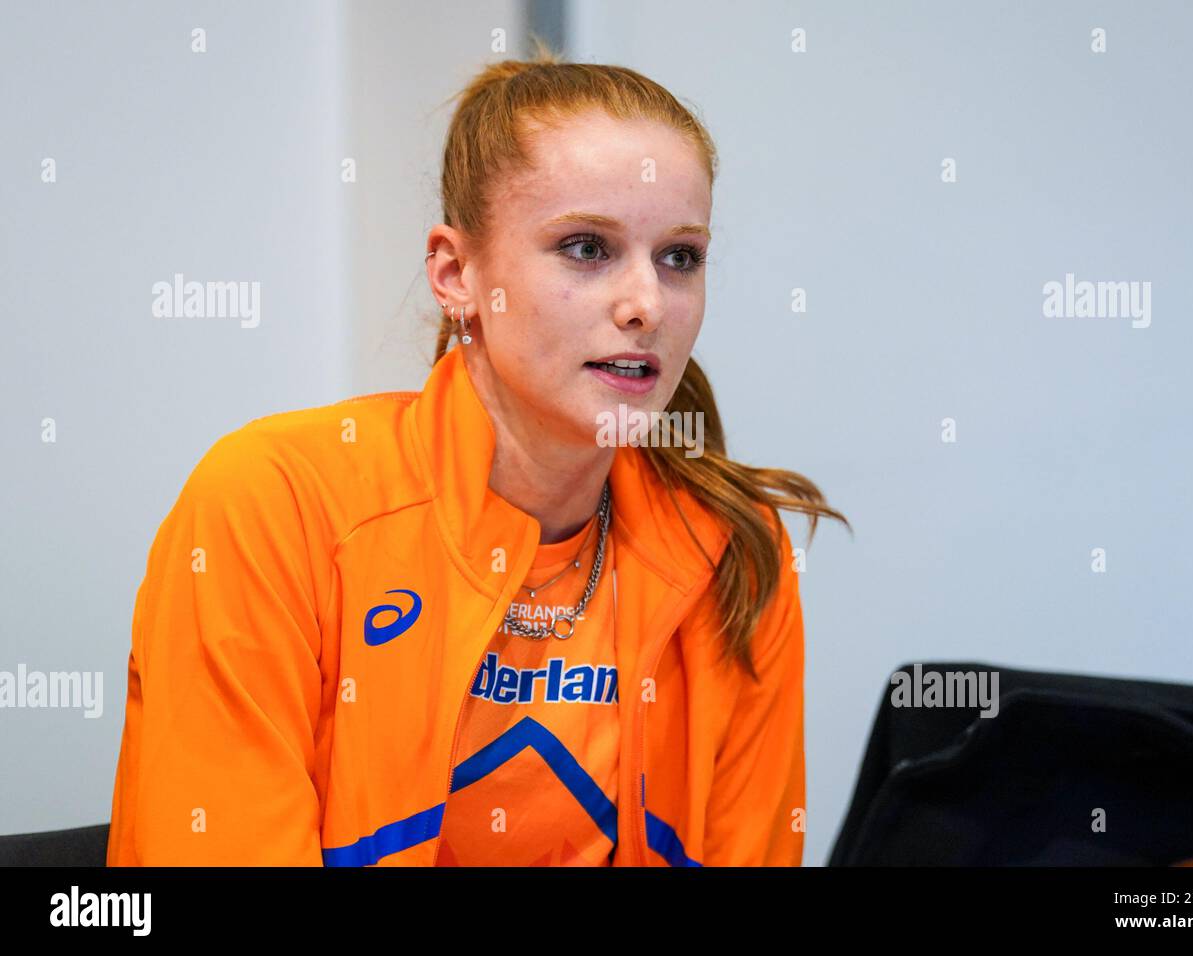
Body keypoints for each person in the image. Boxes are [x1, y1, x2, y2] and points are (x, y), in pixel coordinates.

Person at [106, 43, 849, 867]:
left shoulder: (734, 551)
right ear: (456, 274)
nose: (646, 304)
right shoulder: (272, 504)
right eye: (587, 248)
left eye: (680, 257)